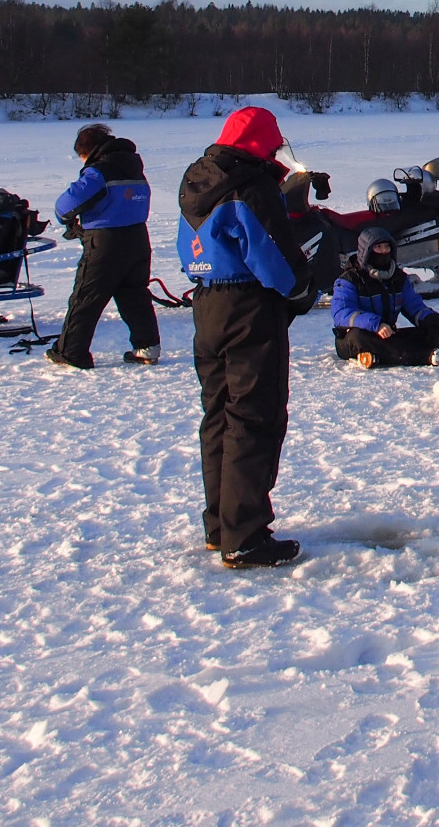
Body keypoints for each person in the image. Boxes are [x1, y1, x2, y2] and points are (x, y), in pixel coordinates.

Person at [178, 106, 316, 570]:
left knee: (218, 413)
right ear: (261, 144)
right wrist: (300, 290)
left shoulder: (199, 179)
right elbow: (270, 252)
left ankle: (221, 525)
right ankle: (245, 533)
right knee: (254, 416)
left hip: (208, 304)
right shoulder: (250, 185)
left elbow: (189, 244)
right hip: (249, 307)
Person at [49, 123, 160, 369]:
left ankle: (71, 351)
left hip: (106, 242)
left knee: (86, 296)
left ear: (87, 151)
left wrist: (69, 221)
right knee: (135, 294)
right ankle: (147, 347)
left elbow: (65, 206)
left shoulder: (99, 172)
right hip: (138, 238)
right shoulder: (135, 169)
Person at [332, 227, 439, 367]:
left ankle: (378, 356)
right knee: (359, 337)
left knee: (431, 331)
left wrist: (429, 319)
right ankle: (421, 357)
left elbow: (413, 305)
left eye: (387, 247)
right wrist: (376, 324)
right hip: (356, 337)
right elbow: (342, 314)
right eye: (378, 247)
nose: (384, 251)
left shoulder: (398, 278)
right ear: (366, 251)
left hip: (388, 334)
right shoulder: (348, 280)